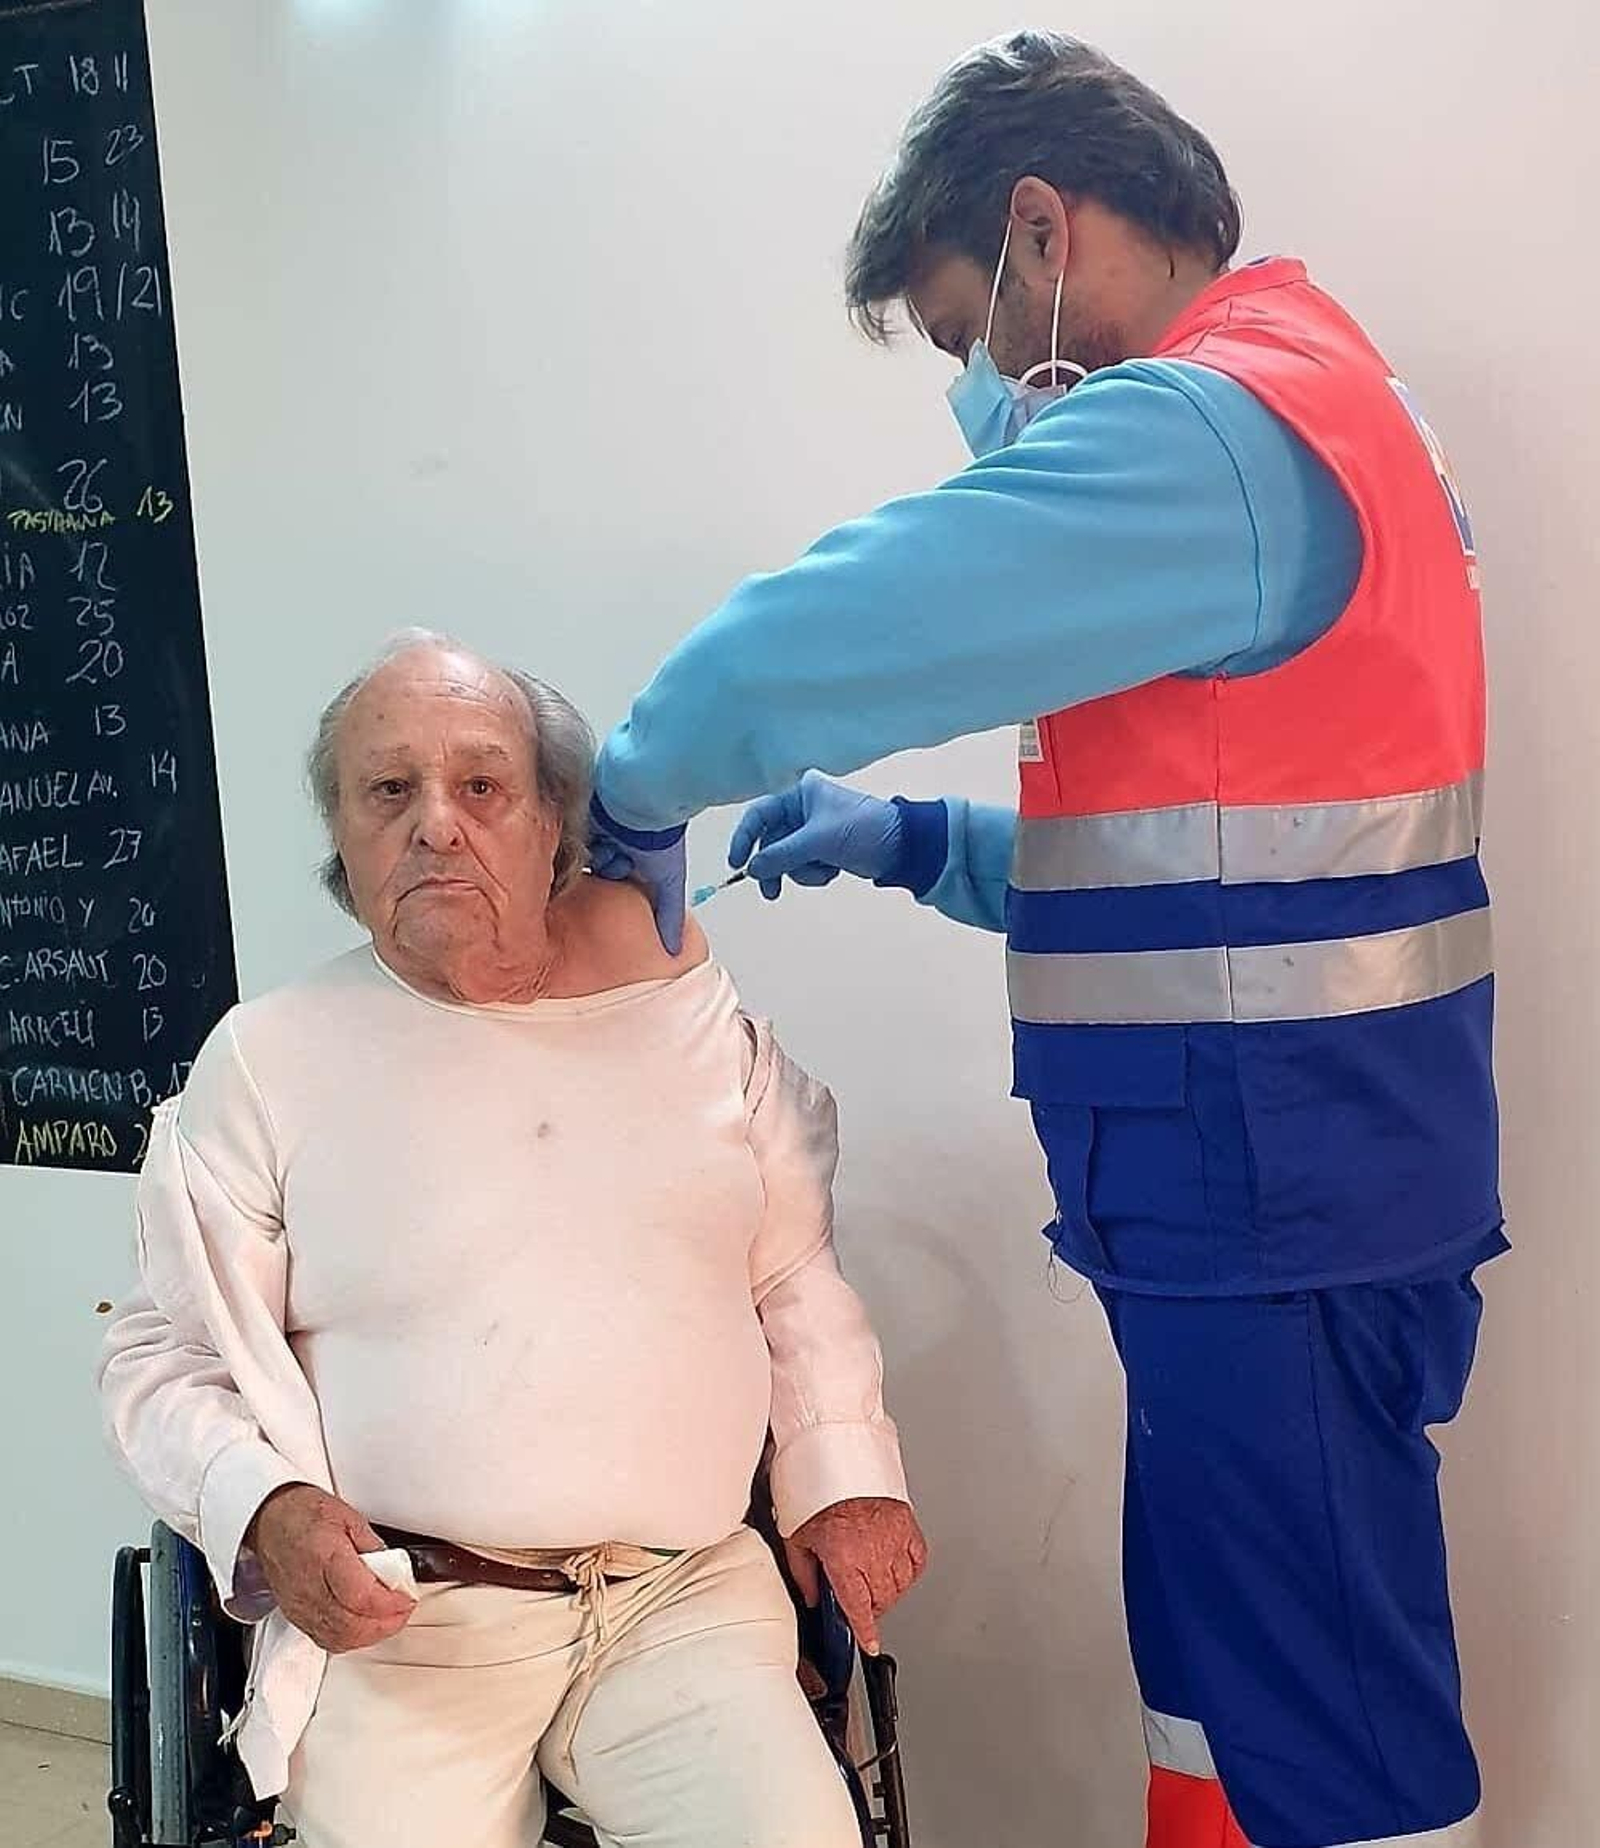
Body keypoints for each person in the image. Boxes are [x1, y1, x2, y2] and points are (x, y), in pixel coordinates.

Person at [586, 31, 1498, 1848]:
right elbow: (1229, 874)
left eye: (958, 333)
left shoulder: (1213, 428)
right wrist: (920, 841)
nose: (981, 385)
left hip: (1274, 1190)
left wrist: (634, 783)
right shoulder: (1310, 407)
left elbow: (842, 631)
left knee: (1331, 1719)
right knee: (1227, 1670)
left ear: (1039, 231)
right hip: (1285, 1174)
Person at [98, 632, 926, 1848]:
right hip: (412, 1627)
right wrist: (261, 1501)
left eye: (481, 786)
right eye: (390, 790)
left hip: (681, 1598)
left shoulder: (683, 1014)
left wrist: (845, 1475)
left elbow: (792, 1271)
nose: (436, 824)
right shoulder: (269, 1058)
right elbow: (162, 1358)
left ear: (555, 826)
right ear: (344, 837)